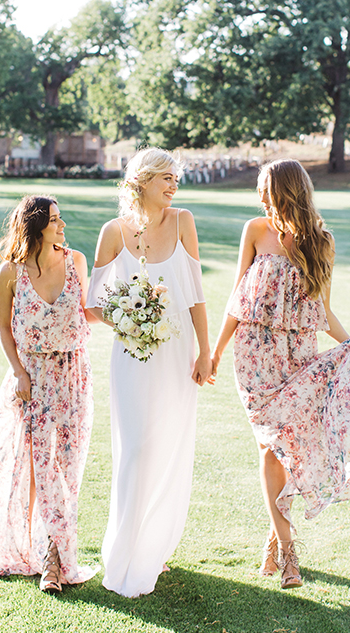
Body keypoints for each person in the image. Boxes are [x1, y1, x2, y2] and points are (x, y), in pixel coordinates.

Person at [210, 159, 350, 589]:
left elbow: (323, 310)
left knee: (288, 450)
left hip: (299, 355)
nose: (259, 197)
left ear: (285, 190)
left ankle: (273, 536)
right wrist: (216, 350)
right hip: (254, 356)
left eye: (265, 188)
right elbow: (236, 298)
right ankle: (288, 553)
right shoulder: (256, 231)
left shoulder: (322, 242)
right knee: (269, 447)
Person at [86, 147, 211, 598]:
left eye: (176, 179)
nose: (174, 186)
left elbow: (195, 293)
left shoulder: (183, 222)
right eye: (166, 179)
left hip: (178, 353)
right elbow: (92, 304)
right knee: (136, 448)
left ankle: (153, 546)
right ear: (143, 181)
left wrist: (205, 351)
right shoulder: (113, 231)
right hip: (132, 354)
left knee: (169, 447)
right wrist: (129, 320)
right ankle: (123, 553)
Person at [0, 195, 96, 591]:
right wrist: (19, 371)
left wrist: (131, 312)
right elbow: (4, 329)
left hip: (73, 377)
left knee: (66, 470)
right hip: (32, 382)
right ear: (36, 225)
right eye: (55, 219)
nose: (62, 225)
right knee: (40, 470)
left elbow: (88, 310)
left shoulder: (75, 261)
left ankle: (54, 553)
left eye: (60, 218)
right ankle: (48, 561)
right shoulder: (11, 272)